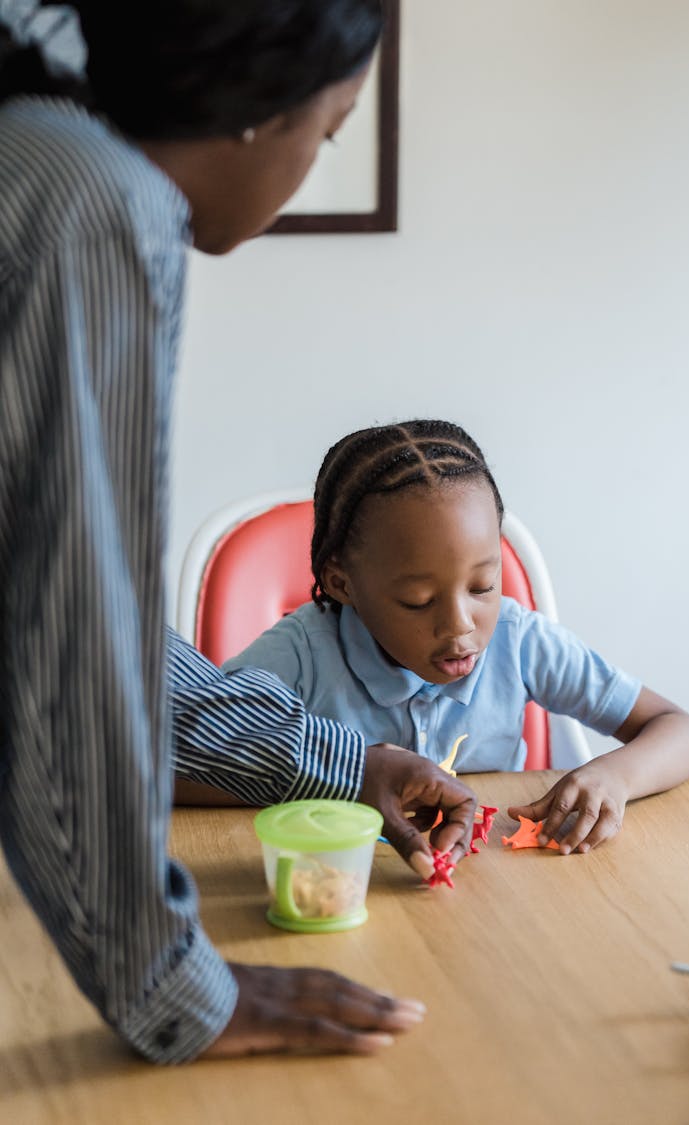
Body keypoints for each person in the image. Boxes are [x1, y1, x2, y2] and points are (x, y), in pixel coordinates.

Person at [0, 3, 478, 1066]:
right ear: (263, 110)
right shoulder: (84, 196)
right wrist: (172, 982)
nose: (316, 156)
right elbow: (69, 637)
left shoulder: (34, 143)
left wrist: (347, 763)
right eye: (333, 124)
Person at [222, 419, 689, 854]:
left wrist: (615, 775)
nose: (459, 624)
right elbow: (167, 760)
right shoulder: (302, 653)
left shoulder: (520, 641)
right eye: (417, 599)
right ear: (342, 583)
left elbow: (682, 730)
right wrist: (337, 769)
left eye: (482, 587)